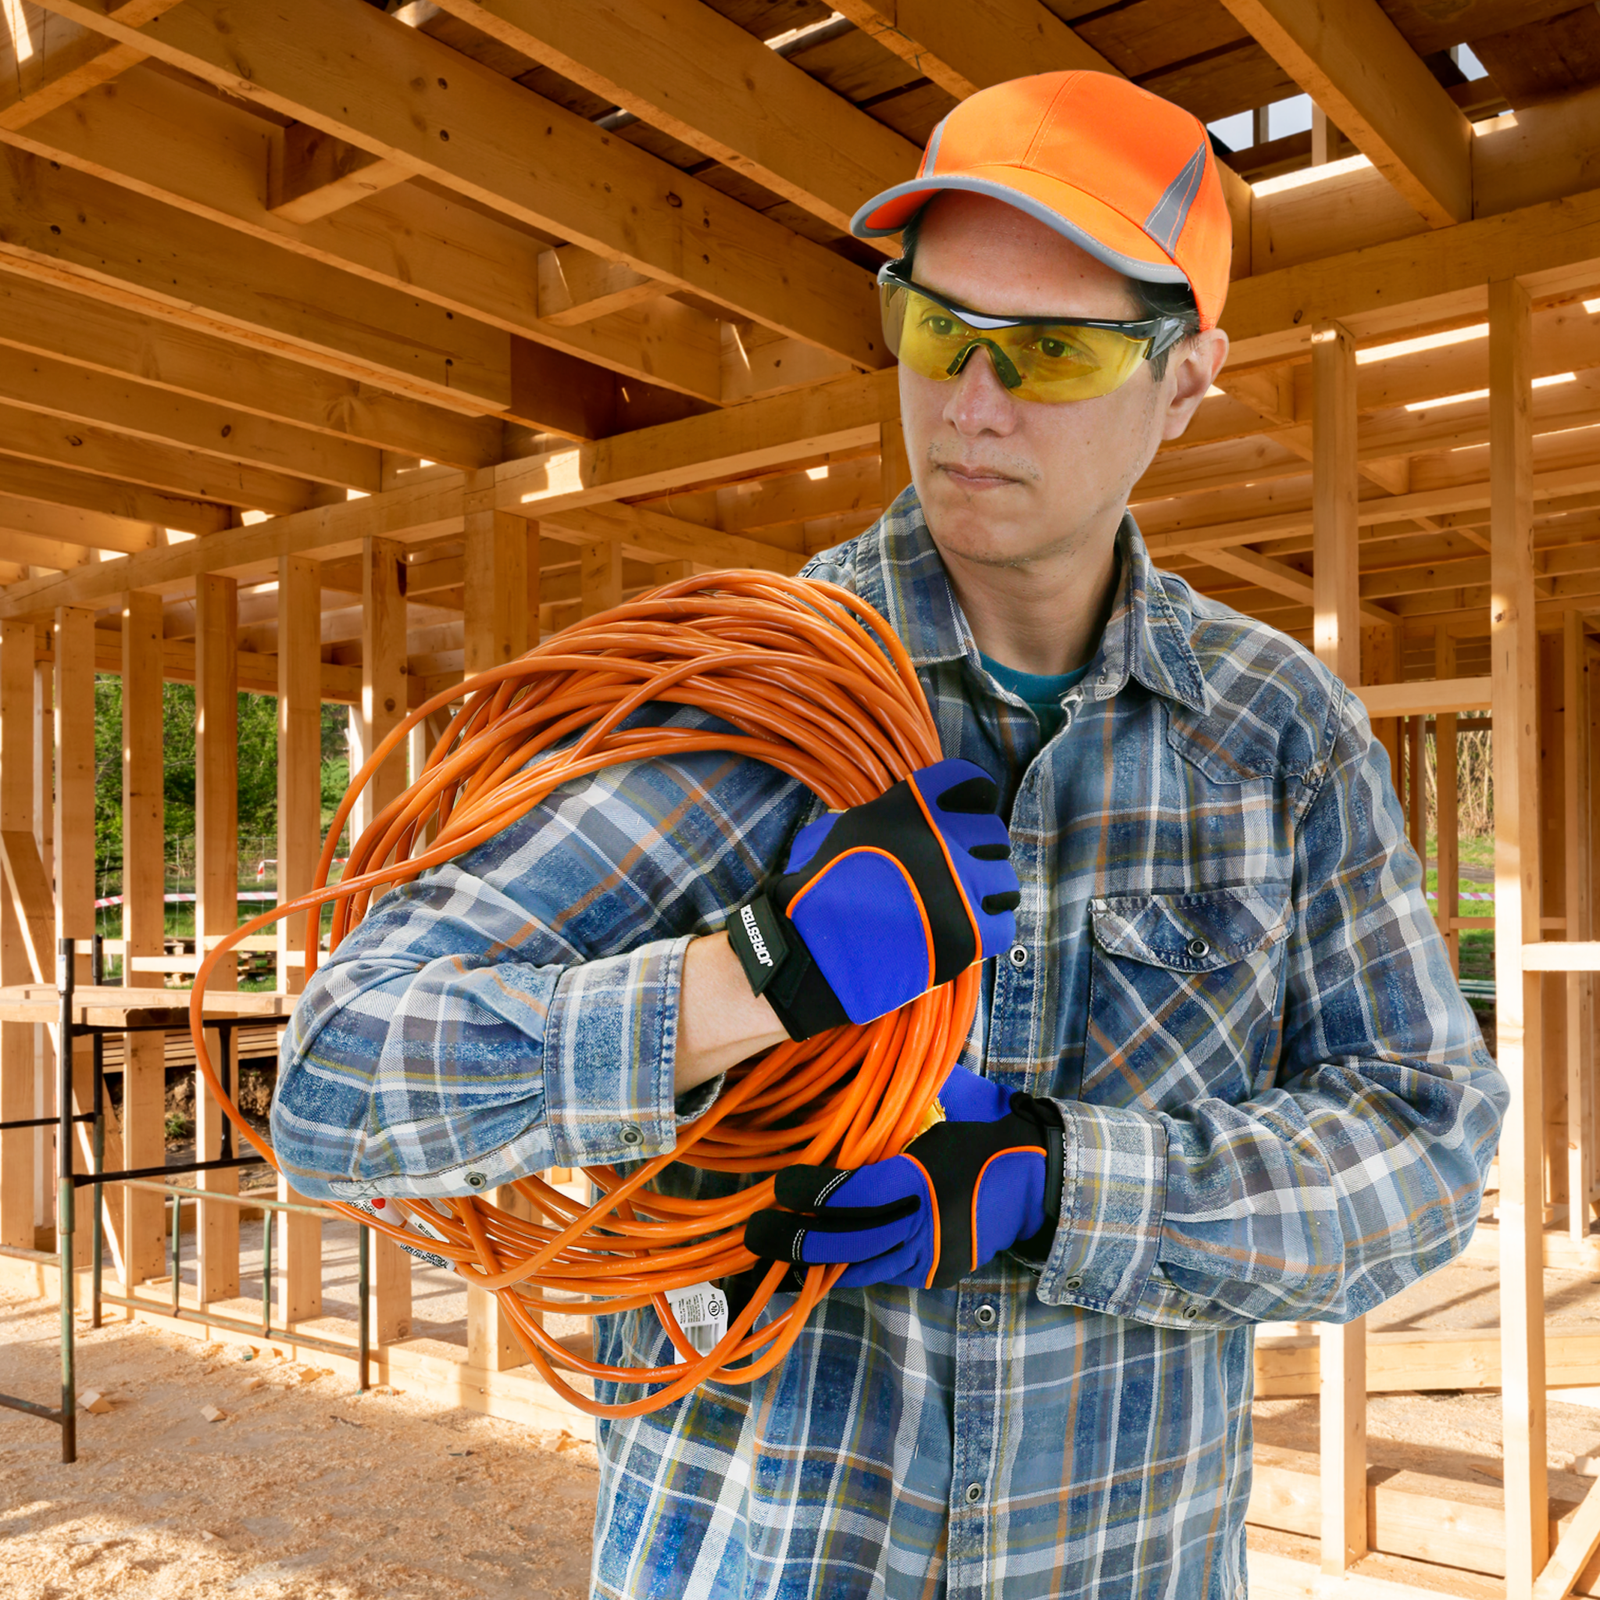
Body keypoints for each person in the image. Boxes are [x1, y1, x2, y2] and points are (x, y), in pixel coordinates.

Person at [271, 70, 1507, 1600]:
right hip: (768, 1558)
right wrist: (753, 985)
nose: (974, 403)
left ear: (1184, 380)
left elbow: (1426, 1148)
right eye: (937, 329)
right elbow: (334, 1082)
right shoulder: (739, 702)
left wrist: (1057, 1184)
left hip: (1119, 1563)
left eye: (1050, 352)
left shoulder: (1272, 737)